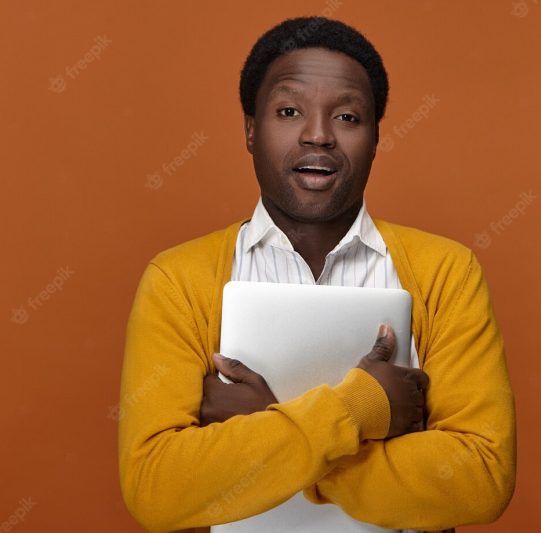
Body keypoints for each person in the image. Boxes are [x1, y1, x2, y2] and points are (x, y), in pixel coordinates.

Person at [119, 16, 516, 533]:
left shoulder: (447, 273)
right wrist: (364, 409)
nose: (318, 134)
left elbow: (481, 479)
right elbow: (157, 488)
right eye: (289, 111)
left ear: (375, 138)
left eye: (348, 117)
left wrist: (269, 428)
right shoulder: (177, 280)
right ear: (249, 129)